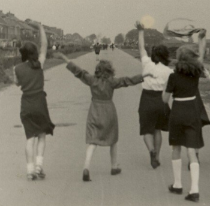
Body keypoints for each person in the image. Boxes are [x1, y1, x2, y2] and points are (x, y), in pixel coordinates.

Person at [55, 52, 144, 181]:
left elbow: (79, 71)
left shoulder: (92, 80)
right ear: (110, 71)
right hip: (109, 110)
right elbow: (126, 81)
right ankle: (114, 166)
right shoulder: (112, 82)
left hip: (95, 110)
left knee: (93, 140)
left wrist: (65, 58)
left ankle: (86, 167)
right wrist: (143, 77)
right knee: (113, 139)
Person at [162, 29, 207, 203]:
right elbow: (201, 57)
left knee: (176, 148)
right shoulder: (196, 73)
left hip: (178, 111)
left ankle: (178, 184)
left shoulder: (173, 76)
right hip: (192, 111)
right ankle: (194, 189)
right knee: (192, 151)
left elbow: (165, 99)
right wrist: (202, 40)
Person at [14, 23, 55, 180]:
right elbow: (45, 44)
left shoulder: (17, 68)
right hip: (40, 103)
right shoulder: (40, 65)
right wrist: (41, 28)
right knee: (42, 136)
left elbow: (17, 83)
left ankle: (30, 170)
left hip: (26, 104)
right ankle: (39, 166)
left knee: (29, 138)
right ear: (35, 53)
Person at [135, 21, 173, 169]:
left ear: (153, 54)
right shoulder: (169, 71)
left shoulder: (146, 63)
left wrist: (140, 32)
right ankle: (157, 156)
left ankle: (151, 150)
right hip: (161, 100)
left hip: (146, 98)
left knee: (146, 130)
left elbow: (141, 48)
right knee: (157, 130)